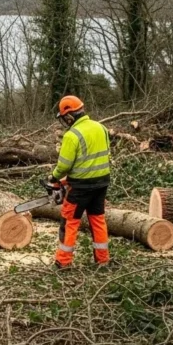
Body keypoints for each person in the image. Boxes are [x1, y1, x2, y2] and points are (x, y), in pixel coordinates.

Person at [49, 96, 111, 269]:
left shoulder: (72, 135)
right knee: (97, 219)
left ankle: (63, 261)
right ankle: (103, 259)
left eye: (64, 118)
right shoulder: (101, 128)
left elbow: (64, 165)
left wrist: (54, 178)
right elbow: (105, 156)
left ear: (69, 116)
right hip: (102, 183)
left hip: (81, 188)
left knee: (70, 221)